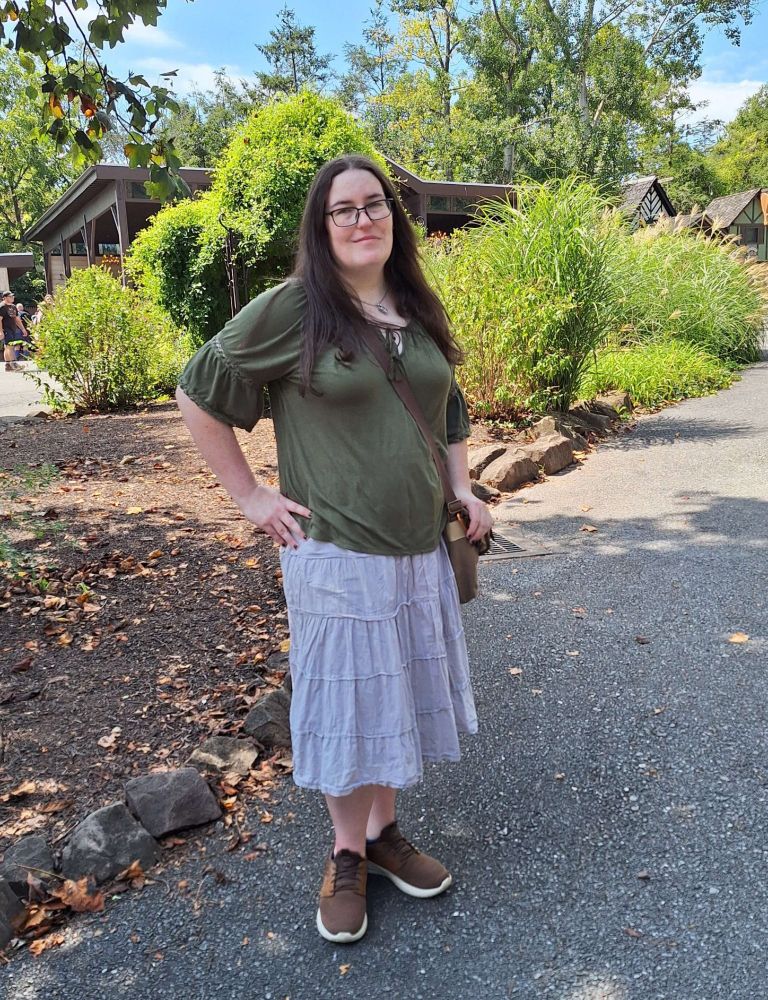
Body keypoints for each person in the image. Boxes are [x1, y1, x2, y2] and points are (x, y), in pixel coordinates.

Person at [176, 154, 493, 944]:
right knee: (349, 705)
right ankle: (346, 852)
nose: (362, 220)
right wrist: (250, 497)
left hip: (418, 547)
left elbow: (447, 408)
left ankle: (384, 835)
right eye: (343, 210)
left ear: (394, 217)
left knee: (395, 698)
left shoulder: (412, 306)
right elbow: (197, 388)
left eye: (374, 205)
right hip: (336, 550)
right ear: (322, 229)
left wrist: (462, 487)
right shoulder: (293, 310)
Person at [0, 291, 25, 371]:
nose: (12, 298)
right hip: (6, 329)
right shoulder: (2, 307)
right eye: (10, 296)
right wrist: (1, 332)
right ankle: (13, 364)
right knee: (10, 346)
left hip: (13, 328)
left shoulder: (13, 307)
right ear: (5, 298)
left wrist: (23, 329)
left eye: (12, 296)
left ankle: (8, 366)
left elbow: (17, 319)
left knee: (7, 347)